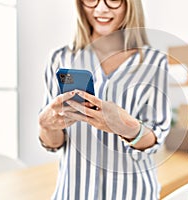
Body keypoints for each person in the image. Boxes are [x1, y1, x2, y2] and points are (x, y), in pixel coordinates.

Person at [38, 0, 171, 199]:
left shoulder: (154, 62)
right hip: (74, 192)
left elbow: (155, 139)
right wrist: (46, 125)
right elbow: (56, 143)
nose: (101, 9)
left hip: (133, 193)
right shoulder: (60, 58)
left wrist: (126, 126)